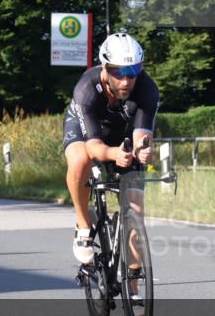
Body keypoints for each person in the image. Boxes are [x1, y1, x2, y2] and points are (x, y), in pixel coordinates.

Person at [63, 32, 159, 264]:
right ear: (104, 67)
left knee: (135, 210)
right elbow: (94, 146)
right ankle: (83, 224)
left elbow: (142, 136)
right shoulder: (86, 88)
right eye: (118, 72)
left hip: (122, 134)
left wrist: (143, 151)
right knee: (80, 160)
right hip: (87, 130)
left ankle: (133, 287)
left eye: (133, 71)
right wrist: (114, 154)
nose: (126, 80)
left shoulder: (147, 89)